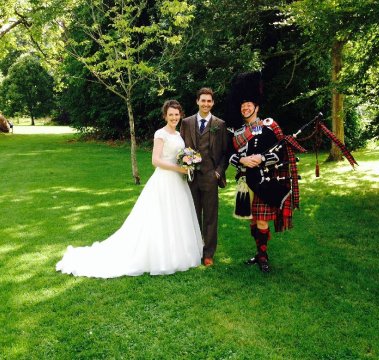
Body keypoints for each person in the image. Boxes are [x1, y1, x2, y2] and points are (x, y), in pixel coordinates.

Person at [56, 100, 203, 278]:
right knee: (160, 218)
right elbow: (155, 160)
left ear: (180, 115)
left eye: (176, 114)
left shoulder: (179, 134)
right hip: (165, 180)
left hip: (178, 182)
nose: (173, 117)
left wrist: (187, 163)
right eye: (170, 114)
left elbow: (179, 155)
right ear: (165, 116)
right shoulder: (160, 134)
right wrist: (178, 168)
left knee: (177, 216)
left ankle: (179, 253)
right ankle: (161, 257)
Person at [227, 72, 302, 273]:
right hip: (245, 181)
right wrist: (241, 159)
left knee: (261, 219)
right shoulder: (237, 132)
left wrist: (261, 159)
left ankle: (263, 255)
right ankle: (259, 252)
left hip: (264, 180)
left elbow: (281, 152)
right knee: (253, 219)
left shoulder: (270, 125)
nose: (245, 108)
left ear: (257, 107)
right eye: (243, 106)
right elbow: (230, 155)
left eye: (249, 105)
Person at [180, 88, 228, 266]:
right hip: (190, 177)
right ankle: (193, 251)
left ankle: (208, 253)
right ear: (197, 101)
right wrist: (184, 165)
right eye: (203, 100)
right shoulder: (186, 123)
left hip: (210, 177)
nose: (206, 104)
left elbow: (225, 153)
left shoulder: (220, 124)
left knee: (210, 217)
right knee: (191, 215)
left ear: (213, 103)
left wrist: (218, 172)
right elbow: (181, 148)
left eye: (209, 101)